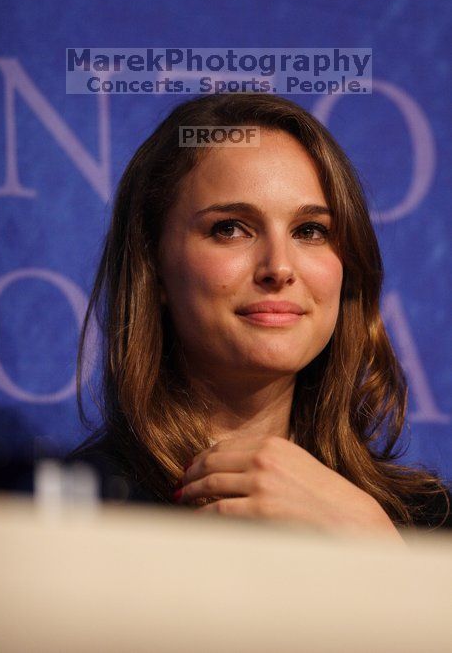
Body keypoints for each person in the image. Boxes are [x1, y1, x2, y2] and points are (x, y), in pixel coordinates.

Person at [68, 93, 451, 538]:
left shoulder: (429, 525)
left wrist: (377, 549)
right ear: (153, 268)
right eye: (230, 228)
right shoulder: (77, 517)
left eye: (311, 231)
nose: (279, 268)